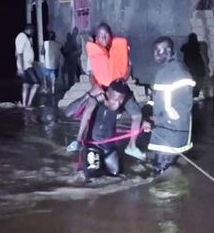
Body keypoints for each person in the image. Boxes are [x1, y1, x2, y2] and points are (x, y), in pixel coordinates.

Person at [66, 22, 145, 160]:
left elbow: (128, 69)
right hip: (101, 87)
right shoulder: (94, 53)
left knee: (137, 114)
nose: (103, 38)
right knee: (88, 110)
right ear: (96, 38)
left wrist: (123, 80)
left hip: (119, 88)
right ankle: (78, 140)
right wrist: (97, 89)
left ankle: (131, 146)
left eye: (106, 35)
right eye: (100, 36)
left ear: (111, 35)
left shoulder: (120, 49)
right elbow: (91, 75)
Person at [143, 36, 195, 175]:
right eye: (154, 51)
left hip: (173, 132)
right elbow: (158, 99)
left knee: (160, 175)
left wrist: (156, 119)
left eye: (158, 51)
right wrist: (146, 115)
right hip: (162, 129)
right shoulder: (163, 71)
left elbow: (182, 108)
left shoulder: (179, 72)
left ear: (169, 50)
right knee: (161, 170)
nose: (155, 55)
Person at [82, 79, 129, 179]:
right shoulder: (95, 101)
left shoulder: (123, 105)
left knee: (118, 176)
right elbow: (72, 112)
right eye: (115, 100)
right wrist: (88, 95)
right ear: (107, 94)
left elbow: (137, 115)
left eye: (120, 100)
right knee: (93, 178)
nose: (117, 103)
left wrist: (144, 122)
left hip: (109, 147)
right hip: (92, 145)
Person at [15, 23, 41, 108]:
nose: (33, 33)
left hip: (27, 64)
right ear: (29, 29)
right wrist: (20, 67)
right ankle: (28, 104)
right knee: (37, 83)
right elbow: (19, 53)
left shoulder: (26, 38)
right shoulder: (21, 36)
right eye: (33, 31)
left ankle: (25, 105)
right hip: (25, 65)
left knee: (26, 85)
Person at [181, 33, 206, 99]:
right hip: (198, 71)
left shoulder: (186, 48)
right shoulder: (198, 47)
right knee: (196, 89)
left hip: (190, 71)